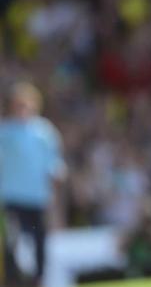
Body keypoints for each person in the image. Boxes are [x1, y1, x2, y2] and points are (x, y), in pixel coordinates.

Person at [0, 82, 67, 286]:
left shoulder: (44, 132)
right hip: (11, 197)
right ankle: (12, 280)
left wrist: (57, 206)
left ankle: (39, 279)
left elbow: (54, 168)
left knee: (40, 239)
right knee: (12, 240)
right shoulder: (5, 132)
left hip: (37, 197)